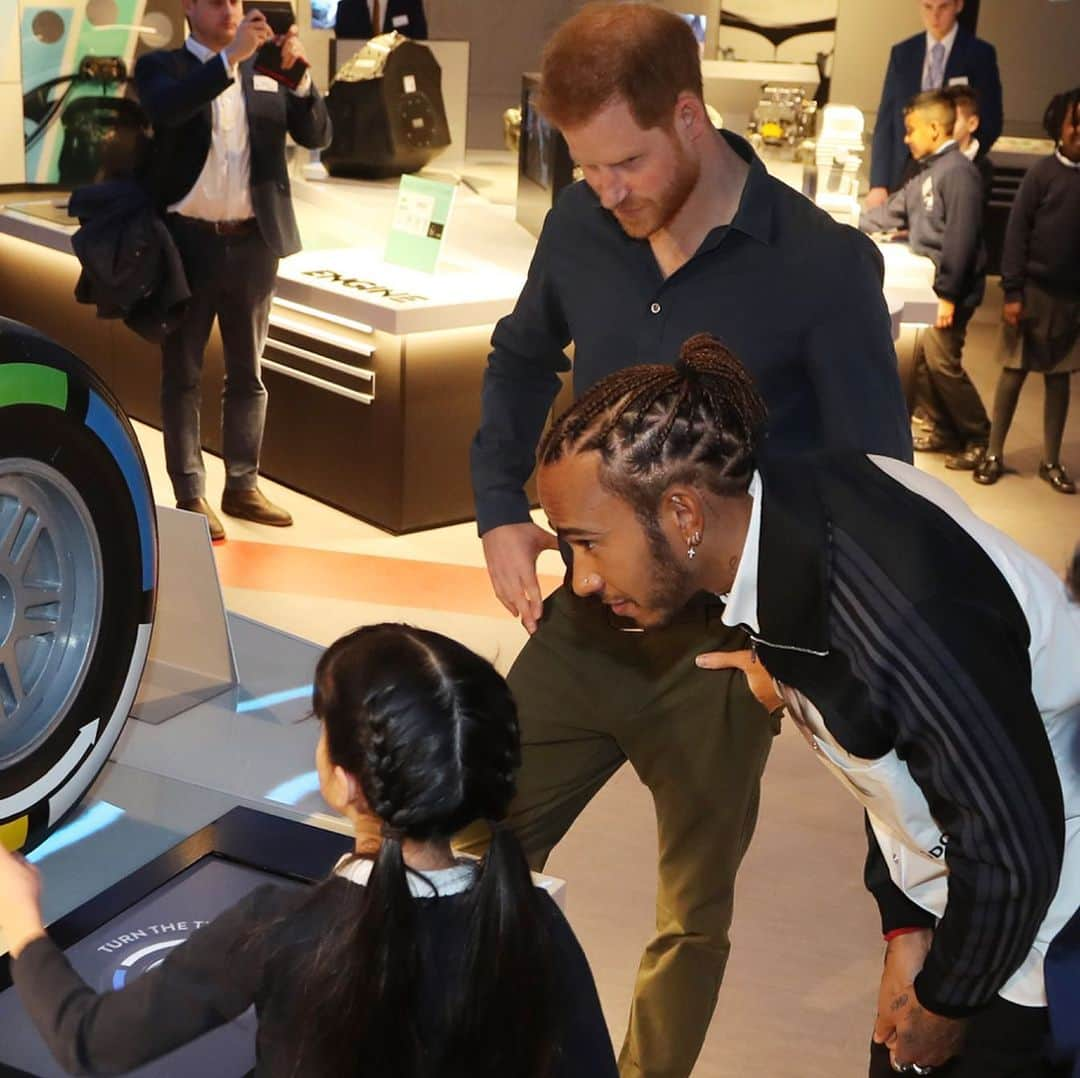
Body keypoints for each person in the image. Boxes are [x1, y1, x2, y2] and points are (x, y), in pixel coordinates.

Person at [463, 4, 911, 1075]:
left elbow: (878, 490)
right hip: (581, 625)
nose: (605, 190)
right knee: (470, 852)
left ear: (690, 116)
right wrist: (498, 511)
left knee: (688, 920)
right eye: (585, 167)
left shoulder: (822, 266)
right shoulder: (580, 225)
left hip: (725, 654)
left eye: (624, 161)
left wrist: (788, 648)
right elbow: (522, 356)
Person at [535, 333, 1080, 1078]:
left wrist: (950, 1003)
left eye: (588, 544)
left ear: (685, 516)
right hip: (965, 894)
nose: (580, 580)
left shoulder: (894, 613)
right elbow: (900, 760)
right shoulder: (795, 517)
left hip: (1038, 931)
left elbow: (1015, 848)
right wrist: (905, 927)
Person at [0, 623, 618, 1078]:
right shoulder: (533, 920)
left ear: (346, 781)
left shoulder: (280, 928)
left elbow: (90, 1042)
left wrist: (20, 920)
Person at [134, 0, 332, 543]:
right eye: (218, 1)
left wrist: (300, 80)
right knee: (184, 374)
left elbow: (318, 135)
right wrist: (228, 61)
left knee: (249, 374)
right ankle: (190, 491)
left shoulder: (264, 72)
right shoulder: (164, 68)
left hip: (253, 242)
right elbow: (168, 109)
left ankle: (242, 483)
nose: (232, 10)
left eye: (238, 2)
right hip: (185, 244)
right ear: (189, 9)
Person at [862, 90, 991, 469]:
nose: (906, 138)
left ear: (935, 129)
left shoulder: (959, 174)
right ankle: (941, 428)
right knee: (923, 364)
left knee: (942, 365)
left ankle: (979, 435)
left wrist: (948, 294)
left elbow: (962, 238)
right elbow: (892, 211)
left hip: (952, 291)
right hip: (935, 287)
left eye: (910, 130)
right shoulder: (931, 173)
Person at [974, 87, 1080, 495]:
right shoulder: (1040, 175)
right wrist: (1013, 292)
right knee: (1014, 373)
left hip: (1070, 300)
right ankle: (994, 451)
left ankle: (1051, 459)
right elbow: (1015, 236)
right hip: (1031, 292)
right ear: (1060, 124)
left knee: (1059, 381)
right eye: (1075, 121)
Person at [867, 0, 1002, 208]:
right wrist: (878, 183)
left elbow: (991, 119)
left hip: (952, 173)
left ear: (958, 6)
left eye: (943, 7)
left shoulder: (979, 54)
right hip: (902, 170)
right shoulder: (903, 53)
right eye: (928, 7)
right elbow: (886, 121)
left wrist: (962, 159)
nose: (935, 16)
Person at [946, 84, 993, 204]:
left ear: (972, 124)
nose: (945, 126)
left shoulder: (982, 167)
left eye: (952, 120)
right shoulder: (924, 159)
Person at [334, 0, 427, 40]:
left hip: (400, 72)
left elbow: (420, 40)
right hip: (359, 74)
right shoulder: (346, 8)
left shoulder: (410, 4)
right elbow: (343, 48)